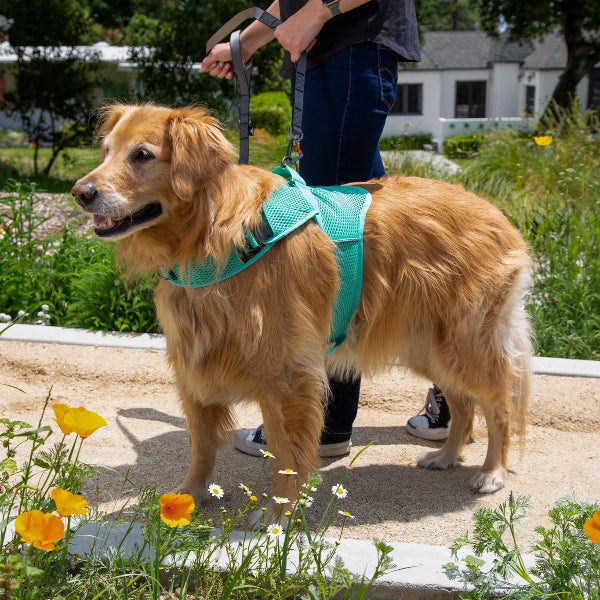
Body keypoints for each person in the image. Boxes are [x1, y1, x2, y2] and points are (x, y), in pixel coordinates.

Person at [201, 0, 449, 457]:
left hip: (347, 49)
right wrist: (250, 40)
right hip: (333, 51)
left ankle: (326, 424)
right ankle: (451, 391)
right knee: (366, 229)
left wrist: (318, 12)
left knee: (328, 239)